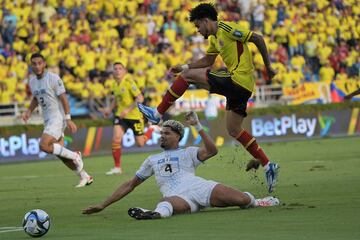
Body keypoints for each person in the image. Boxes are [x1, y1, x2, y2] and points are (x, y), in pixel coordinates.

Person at [138, 3, 279, 192]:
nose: (198, 30)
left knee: (187, 79)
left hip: (238, 80)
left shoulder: (227, 28)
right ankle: (269, 166)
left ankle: (157, 113)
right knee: (234, 130)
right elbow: (207, 61)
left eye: (198, 26)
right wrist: (185, 67)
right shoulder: (214, 39)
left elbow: (258, 38)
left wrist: (268, 67)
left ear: (205, 21)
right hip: (241, 88)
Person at [82, 111, 279, 219]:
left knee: (242, 200)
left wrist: (198, 126)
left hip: (199, 187)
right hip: (176, 195)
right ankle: (152, 214)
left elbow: (212, 150)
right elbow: (130, 184)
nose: (162, 136)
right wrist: (103, 204)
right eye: (162, 133)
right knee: (166, 205)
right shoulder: (152, 160)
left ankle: (259, 201)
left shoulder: (188, 153)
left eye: (167, 133)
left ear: (177, 136)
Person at [22, 53, 93, 188]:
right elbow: (36, 98)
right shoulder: (32, 82)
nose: (37, 66)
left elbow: (64, 99)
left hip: (57, 117)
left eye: (39, 63)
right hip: (47, 119)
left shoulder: (53, 78)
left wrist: (68, 119)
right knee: (60, 153)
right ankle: (85, 176)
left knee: (43, 145)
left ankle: (75, 155)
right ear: (31, 66)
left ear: (44, 64)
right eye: (34, 64)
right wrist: (28, 112)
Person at [100, 62, 154, 175]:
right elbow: (116, 99)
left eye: (120, 68)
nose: (117, 70)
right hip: (120, 116)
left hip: (134, 116)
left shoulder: (129, 82)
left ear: (124, 71)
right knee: (116, 139)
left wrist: (128, 110)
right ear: (113, 72)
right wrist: (109, 109)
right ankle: (117, 167)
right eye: (115, 69)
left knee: (140, 143)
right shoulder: (115, 84)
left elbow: (140, 98)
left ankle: (152, 129)